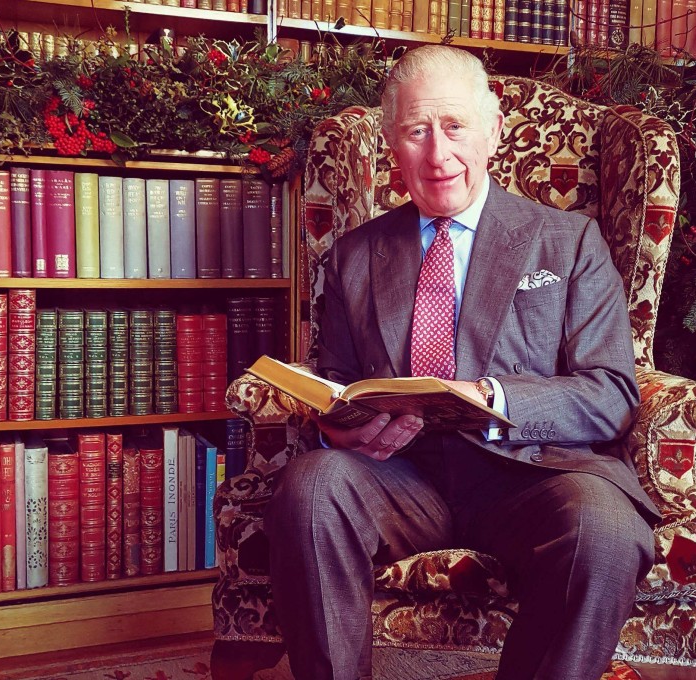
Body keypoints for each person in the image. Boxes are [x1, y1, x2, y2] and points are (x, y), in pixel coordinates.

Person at [264, 44, 659, 680]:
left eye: (453, 126)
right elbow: (335, 377)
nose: (438, 154)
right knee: (310, 487)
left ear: (493, 130)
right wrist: (336, 423)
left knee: (606, 530)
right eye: (417, 131)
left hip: (534, 473)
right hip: (398, 475)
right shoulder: (354, 256)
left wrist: (492, 397)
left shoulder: (569, 241)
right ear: (393, 145)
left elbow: (612, 391)